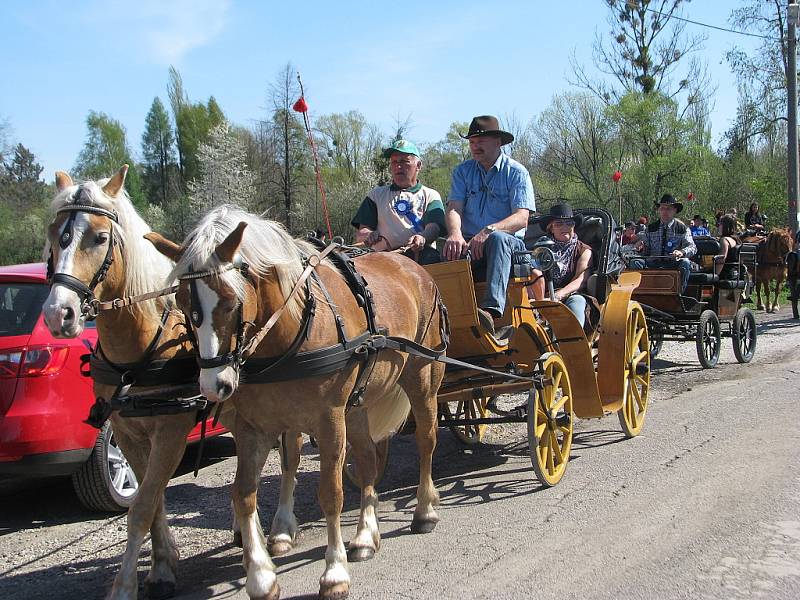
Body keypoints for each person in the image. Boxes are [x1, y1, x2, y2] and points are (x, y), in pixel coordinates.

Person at [442, 115, 536, 332]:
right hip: (470, 243)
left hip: (509, 246)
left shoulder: (517, 172)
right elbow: (454, 208)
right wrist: (455, 233)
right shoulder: (462, 172)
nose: (475, 147)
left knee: (498, 239)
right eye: (472, 142)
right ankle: (445, 313)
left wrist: (489, 230)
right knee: (444, 250)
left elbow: (522, 217)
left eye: (481, 141)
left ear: (497, 142)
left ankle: (491, 311)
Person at [351, 139, 445, 264]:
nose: (398, 166)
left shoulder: (430, 195)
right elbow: (362, 231)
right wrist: (368, 235)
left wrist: (423, 237)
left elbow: (434, 227)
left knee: (433, 260)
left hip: (421, 256)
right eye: (394, 162)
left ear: (418, 165)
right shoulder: (375, 195)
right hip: (384, 258)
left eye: (404, 162)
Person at [527, 204, 592, 327]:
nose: (565, 227)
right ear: (551, 228)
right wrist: (538, 300)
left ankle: (573, 342)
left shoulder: (584, 250)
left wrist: (558, 296)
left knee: (576, 303)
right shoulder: (540, 249)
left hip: (572, 295)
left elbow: (581, 280)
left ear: (574, 226)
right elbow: (533, 275)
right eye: (559, 224)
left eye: (569, 223)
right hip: (542, 298)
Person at [629, 194, 697, 293]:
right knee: (635, 262)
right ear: (659, 211)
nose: (665, 211)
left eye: (668, 209)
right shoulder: (651, 228)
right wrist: (641, 247)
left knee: (685, 263)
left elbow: (692, 247)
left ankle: (679, 294)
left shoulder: (682, 229)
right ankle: (641, 293)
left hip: (673, 263)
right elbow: (645, 249)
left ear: (674, 211)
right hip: (653, 263)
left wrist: (681, 252)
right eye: (662, 208)